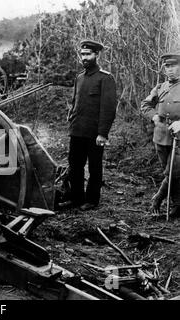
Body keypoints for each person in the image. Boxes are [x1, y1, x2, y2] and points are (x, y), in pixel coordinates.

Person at [59, 40, 117, 211]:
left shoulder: (105, 78)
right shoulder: (79, 78)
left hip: (94, 133)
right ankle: (76, 198)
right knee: (75, 166)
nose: (84, 58)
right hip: (77, 131)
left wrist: (102, 134)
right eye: (82, 54)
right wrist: (71, 119)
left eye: (88, 54)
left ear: (96, 55)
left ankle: (92, 200)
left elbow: (108, 109)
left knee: (94, 167)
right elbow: (75, 102)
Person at [141, 52, 180, 218]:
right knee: (170, 172)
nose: (170, 70)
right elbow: (145, 105)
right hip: (161, 136)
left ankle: (157, 198)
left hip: (179, 137)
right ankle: (177, 205)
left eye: (174, 66)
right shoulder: (160, 87)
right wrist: (154, 116)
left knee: (174, 172)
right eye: (167, 66)